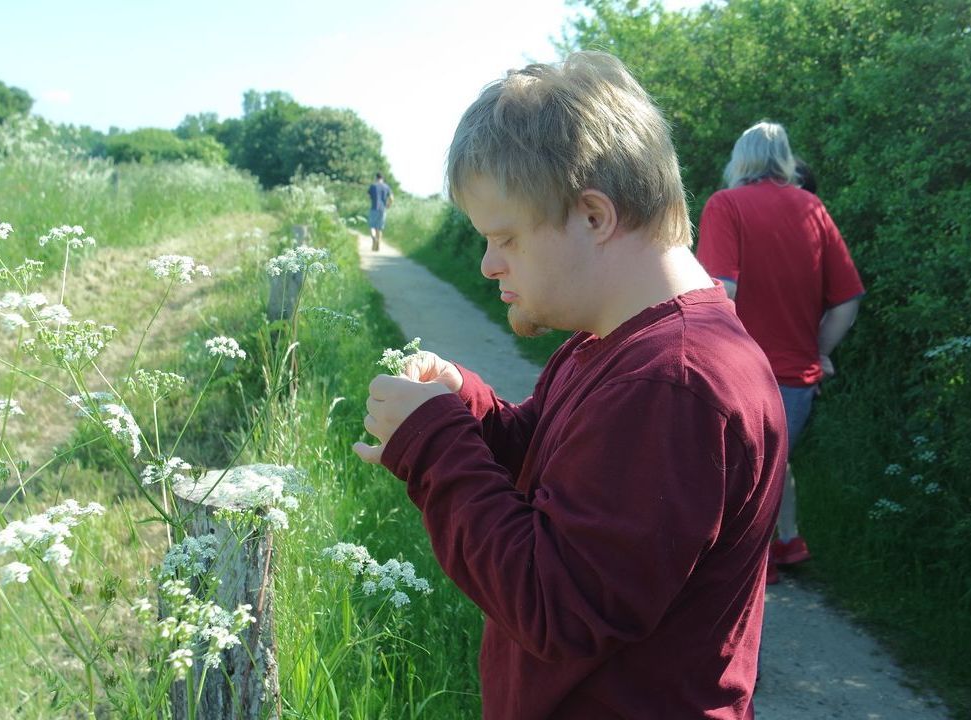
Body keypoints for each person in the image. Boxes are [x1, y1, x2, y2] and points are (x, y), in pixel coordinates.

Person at [354, 52, 786, 719]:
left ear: (593, 216)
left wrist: (436, 446)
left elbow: (556, 606)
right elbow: (554, 463)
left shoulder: (675, 381)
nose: (488, 264)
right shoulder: (613, 344)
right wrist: (464, 407)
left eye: (506, 238)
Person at [696, 122, 864, 585]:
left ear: (739, 160)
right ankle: (789, 542)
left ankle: (751, 559)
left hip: (742, 371)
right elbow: (847, 300)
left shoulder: (725, 205)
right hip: (796, 375)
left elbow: (723, 291)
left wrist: (704, 353)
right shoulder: (813, 208)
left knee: (739, 470)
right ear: (786, 159)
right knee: (775, 459)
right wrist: (821, 350)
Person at [367, 172, 393, 251]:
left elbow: (368, 196)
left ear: (376, 177)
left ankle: (374, 238)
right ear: (382, 178)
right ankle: (378, 245)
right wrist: (388, 205)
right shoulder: (386, 187)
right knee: (379, 228)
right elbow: (391, 198)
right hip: (383, 209)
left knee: (372, 226)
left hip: (374, 208)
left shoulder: (373, 186)